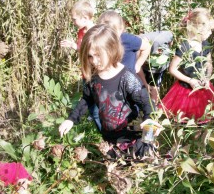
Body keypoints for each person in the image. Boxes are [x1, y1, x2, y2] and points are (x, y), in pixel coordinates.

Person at [58, 24, 162, 158]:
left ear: (112, 49)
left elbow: (147, 103)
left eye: (98, 55)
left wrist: (149, 123)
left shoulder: (126, 78)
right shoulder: (94, 79)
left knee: (134, 172)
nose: (94, 61)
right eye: (90, 56)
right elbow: (86, 99)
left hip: (132, 141)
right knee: (116, 174)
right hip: (110, 140)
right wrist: (71, 119)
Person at [159, 8, 214, 124]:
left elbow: (209, 63)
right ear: (198, 29)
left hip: (203, 87)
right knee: (184, 121)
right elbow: (172, 69)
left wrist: (207, 77)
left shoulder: (205, 45)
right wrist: (190, 80)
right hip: (186, 89)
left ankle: (198, 139)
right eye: (209, 31)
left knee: (203, 118)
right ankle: (182, 141)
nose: (211, 33)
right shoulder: (185, 47)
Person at [59, 0, 101, 131]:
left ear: (85, 18)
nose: (73, 22)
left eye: (74, 19)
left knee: (96, 110)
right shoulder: (81, 32)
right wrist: (74, 46)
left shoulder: (97, 32)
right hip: (86, 73)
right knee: (92, 108)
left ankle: (109, 139)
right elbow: (84, 50)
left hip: (97, 75)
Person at [96, 10, 151, 75]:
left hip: (128, 79)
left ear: (121, 29)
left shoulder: (127, 39)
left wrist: (138, 65)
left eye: (113, 33)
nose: (110, 37)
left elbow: (147, 47)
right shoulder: (101, 42)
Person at [138, 31, 173, 104]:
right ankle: (147, 103)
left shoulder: (165, 36)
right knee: (146, 85)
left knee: (154, 86)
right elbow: (138, 65)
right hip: (146, 64)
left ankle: (154, 106)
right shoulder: (140, 40)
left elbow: (170, 42)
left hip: (158, 66)